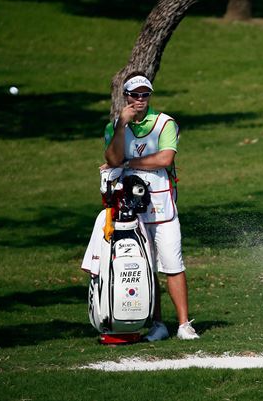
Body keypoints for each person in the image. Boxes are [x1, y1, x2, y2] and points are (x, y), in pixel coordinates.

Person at [103, 72, 198, 341]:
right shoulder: (115, 127)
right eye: (135, 94)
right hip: (130, 209)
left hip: (162, 205)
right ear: (126, 96)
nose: (140, 99)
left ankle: (183, 325)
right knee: (145, 266)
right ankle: (158, 324)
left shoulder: (164, 123)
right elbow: (111, 158)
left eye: (145, 94)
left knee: (173, 264)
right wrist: (121, 125)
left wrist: (128, 163)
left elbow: (165, 158)